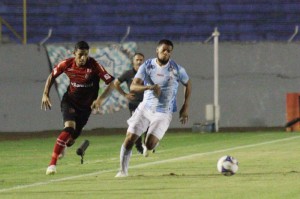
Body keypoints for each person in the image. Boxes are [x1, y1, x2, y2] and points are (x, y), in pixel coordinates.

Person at [115, 39, 192, 177]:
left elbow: (188, 84)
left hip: (163, 112)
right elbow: (133, 86)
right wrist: (149, 87)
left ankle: (149, 144)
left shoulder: (177, 69)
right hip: (145, 107)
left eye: (169, 51)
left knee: (149, 145)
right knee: (130, 137)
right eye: (164, 50)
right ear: (157, 50)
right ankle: (122, 171)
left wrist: (185, 106)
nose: (166, 53)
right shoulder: (147, 66)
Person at [41, 41, 115, 175]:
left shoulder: (94, 65)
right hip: (70, 101)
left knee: (71, 140)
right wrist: (45, 94)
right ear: (74, 53)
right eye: (80, 55)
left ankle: (64, 144)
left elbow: (112, 83)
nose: (83, 58)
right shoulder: (66, 64)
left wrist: (100, 99)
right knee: (69, 127)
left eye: (85, 55)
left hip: (85, 108)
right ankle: (52, 165)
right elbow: (52, 76)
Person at [114, 53, 145, 154]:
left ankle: (148, 144)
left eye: (141, 60)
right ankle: (139, 147)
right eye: (137, 60)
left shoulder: (147, 73)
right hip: (135, 104)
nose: (139, 62)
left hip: (147, 103)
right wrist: (125, 94)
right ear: (133, 62)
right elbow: (116, 83)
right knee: (137, 125)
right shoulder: (128, 74)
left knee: (150, 124)